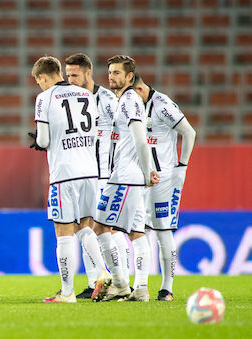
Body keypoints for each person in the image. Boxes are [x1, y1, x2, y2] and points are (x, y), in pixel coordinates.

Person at [29, 56, 101, 303]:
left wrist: (38, 140)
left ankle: (67, 292)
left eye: (38, 81)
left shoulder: (44, 98)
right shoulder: (87, 95)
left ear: (43, 77)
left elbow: (44, 141)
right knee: (86, 228)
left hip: (64, 173)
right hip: (91, 171)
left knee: (64, 232)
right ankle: (105, 275)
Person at [91, 55, 159, 302]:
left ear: (130, 77)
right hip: (127, 176)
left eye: (117, 73)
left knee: (101, 227)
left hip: (125, 177)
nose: (111, 76)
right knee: (135, 232)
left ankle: (122, 284)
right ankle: (138, 287)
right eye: (110, 72)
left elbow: (141, 138)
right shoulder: (125, 100)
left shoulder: (129, 100)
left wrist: (146, 172)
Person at [64, 53, 130, 298]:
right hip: (83, 173)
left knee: (110, 229)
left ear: (88, 73)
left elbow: (125, 131)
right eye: (67, 75)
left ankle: (123, 282)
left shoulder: (107, 99)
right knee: (85, 227)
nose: (70, 79)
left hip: (106, 173)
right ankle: (95, 284)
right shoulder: (69, 100)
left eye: (75, 75)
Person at [133, 73, 196, 301]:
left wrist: (182, 166)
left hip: (163, 179)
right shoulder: (133, 105)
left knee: (162, 230)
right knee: (137, 231)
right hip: (138, 179)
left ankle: (166, 288)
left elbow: (189, 132)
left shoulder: (163, 105)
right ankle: (139, 285)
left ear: (139, 89)